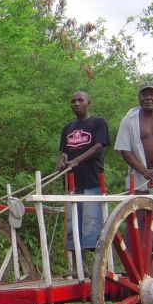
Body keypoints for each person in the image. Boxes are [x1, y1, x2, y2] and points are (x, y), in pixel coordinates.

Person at [58, 90, 110, 270]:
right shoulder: (68, 128)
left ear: (89, 102)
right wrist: (64, 160)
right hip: (72, 183)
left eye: (80, 100)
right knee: (73, 226)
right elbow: (64, 151)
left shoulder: (98, 123)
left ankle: (97, 268)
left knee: (92, 226)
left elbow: (98, 147)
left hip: (92, 181)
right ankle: (78, 267)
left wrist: (78, 160)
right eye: (73, 101)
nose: (76, 103)